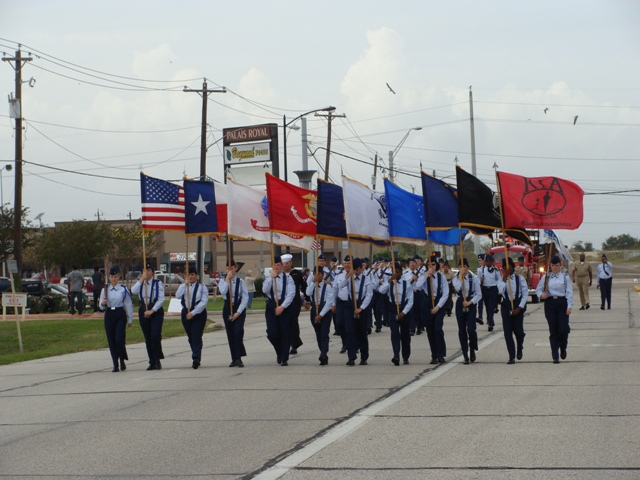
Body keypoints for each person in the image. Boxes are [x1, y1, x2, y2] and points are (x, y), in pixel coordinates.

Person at [337, 257, 373, 366]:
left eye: (357, 270)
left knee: (362, 332)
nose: (356, 272)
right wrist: (348, 276)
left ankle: (364, 357)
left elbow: (369, 295)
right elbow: (340, 286)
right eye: (354, 270)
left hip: (362, 306)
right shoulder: (349, 277)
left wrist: (361, 308)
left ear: (361, 269)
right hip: (350, 306)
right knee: (349, 331)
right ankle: (351, 356)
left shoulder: (366, 279)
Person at [536, 255, 573, 363]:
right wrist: (541, 295)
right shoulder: (546, 277)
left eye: (556, 265)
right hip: (550, 304)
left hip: (562, 303)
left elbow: (569, 292)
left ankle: (563, 346)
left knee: (563, 329)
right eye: (552, 265)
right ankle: (555, 355)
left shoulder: (565, 277)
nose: (555, 268)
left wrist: (569, 306)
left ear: (560, 266)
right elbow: (538, 290)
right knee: (553, 330)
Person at [415, 255, 450, 364]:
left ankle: (441, 354)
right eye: (429, 265)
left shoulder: (441, 277)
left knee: (438, 329)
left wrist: (438, 306)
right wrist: (426, 275)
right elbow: (417, 287)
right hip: (427, 303)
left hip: (439, 304)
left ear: (437, 265)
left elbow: (445, 293)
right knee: (430, 331)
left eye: (433, 264)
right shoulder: (424, 276)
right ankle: (434, 354)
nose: (431, 267)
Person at [378, 261, 414, 366]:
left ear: (401, 272)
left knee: (405, 335)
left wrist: (404, 312)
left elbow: (410, 300)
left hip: (404, 309)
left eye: (397, 272)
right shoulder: (390, 283)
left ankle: (406, 356)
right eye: (394, 272)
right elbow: (381, 291)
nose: (395, 274)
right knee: (394, 333)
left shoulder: (406, 283)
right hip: (393, 308)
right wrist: (389, 281)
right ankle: (396, 355)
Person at [131, 264, 166, 370]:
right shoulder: (141, 283)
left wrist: (152, 310)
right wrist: (141, 279)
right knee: (148, 337)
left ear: (152, 272)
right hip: (143, 310)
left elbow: (161, 299)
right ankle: (152, 361)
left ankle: (157, 359)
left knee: (155, 335)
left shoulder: (157, 283)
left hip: (155, 310)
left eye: (148, 270)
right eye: (144, 270)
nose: (146, 272)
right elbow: (133, 291)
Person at [262, 255, 296, 366]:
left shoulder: (288, 278)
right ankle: (279, 352)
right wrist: (271, 278)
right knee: (272, 334)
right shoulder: (269, 278)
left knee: (285, 333)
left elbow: (291, 294)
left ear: (282, 266)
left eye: (279, 264)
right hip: (272, 305)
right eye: (275, 264)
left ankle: (284, 357)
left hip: (285, 306)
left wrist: (282, 307)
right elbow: (264, 290)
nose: (277, 266)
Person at [99, 266, 133, 372]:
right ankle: (115, 363)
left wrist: (130, 318)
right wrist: (103, 303)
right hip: (109, 314)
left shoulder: (123, 289)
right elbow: (101, 306)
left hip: (119, 313)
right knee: (111, 340)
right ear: (108, 277)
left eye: (115, 276)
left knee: (119, 339)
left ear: (118, 277)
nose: (113, 278)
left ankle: (122, 359)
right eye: (111, 276)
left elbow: (128, 304)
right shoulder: (105, 290)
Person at [176, 266, 209, 369]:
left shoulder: (202, 287)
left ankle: (196, 358)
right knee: (190, 336)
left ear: (196, 275)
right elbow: (177, 296)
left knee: (196, 335)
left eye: (192, 274)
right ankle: (195, 352)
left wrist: (193, 313)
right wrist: (184, 285)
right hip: (186, 311)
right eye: (189, 274)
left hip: (198, 313)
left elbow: (203, 302)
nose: (190, 277)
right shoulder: (185, 286)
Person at [218, 259, 249, 367]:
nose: (230, 270)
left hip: (238, 307)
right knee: (231, 334)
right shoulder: (223, 281)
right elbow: (222, 291)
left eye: (232, 268)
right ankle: (234, 358)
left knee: (238, 332)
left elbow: (245, 298)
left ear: (236, 268)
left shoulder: (241, 282)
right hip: (227, 307)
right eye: (228, 268)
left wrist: (238, 312)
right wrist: (227, 280)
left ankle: (239, 357)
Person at [452, 258, 482, 365]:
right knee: (462, 330)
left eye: (464, 266)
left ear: (468, 267)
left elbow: (479, 294)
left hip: (471, 304)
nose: (462, 268)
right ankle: (465, 354)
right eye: (460, 266)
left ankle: (473, 348)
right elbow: (457, 288)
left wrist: (470, 302)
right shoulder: (455, 278)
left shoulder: (473, 278)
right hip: (460, 304)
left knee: (471, 330)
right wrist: (460, 277)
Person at [498, 257, 528, 364]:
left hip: (517, 305)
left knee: (518, 332)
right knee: (507, 332)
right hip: (506, 305)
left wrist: (519, 307)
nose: (507, 269)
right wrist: (505, 278)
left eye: (509, 267)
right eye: (504, 267)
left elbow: (525, 294)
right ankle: (511, 356)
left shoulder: (520, 279)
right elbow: (500, 291)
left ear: (512, 267)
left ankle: (520, 346)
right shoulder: (501, 280)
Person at [306, 266, 334, 365]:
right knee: (318, 334)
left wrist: (321, 315)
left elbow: (329, 302)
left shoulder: (327, 286)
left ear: (322, 275)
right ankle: (323, 353)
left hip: (324, 311)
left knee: (324, 333)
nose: (316, 276)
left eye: (318, 274)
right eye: (315, 274)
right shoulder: (312, 285)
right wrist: (313, 283)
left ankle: (323, 354)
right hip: (314, 309)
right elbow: (307, 293)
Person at [282, 254, 304, 355]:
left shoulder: (296, 273)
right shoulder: (280, 274)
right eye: (283, 264)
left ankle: (294, 345)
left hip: (295, 301)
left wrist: (307, 300)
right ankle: (289, 342)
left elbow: (303, 286)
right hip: (283, 302)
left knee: (293, 322)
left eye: (287, 263)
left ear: (291, 263)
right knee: (285, 323)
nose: (285, 266)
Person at [480, 255, 501, 332]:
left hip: (493, 289)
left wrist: (499, 289)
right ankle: (489, 319)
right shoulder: (481, 270)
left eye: (490, 262)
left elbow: (498, 279)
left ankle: (491, 323)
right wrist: (480, 281)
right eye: (487, 262)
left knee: (491, 307)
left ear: (492, 262)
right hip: (485, 289)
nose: (488, 263)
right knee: (487, 305)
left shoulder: (496, 270)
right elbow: (478, 280)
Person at [475, 254, 486, 325]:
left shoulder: (488, 268)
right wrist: (480, 281)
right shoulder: (478, 269)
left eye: (480, 260)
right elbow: (477, 279)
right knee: (480, 303)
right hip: (481, 287)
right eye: (478, 260)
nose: (479, 262)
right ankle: (480, 317)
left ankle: (489, 318)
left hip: (487, 287)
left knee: (488, 304)